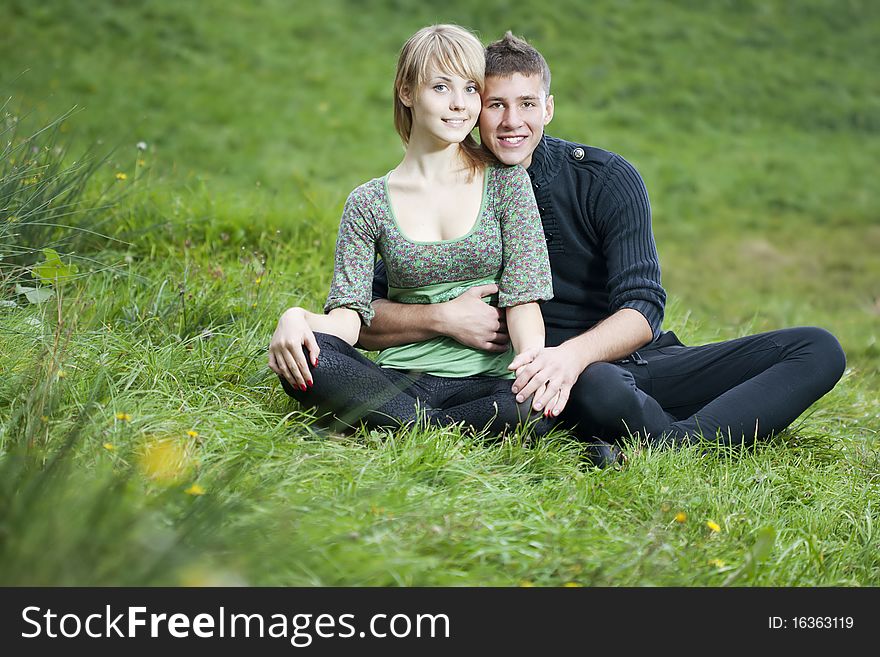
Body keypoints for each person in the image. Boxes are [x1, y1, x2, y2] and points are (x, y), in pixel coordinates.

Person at [361, 31, 847, 464]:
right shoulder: (450, 188)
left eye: (528, 103)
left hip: (634, 362)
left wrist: (570, 356)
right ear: (473, 110)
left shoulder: (605, 178)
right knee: (596, 386)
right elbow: (370, 310)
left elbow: (643, 306)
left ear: (548, 108)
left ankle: (677, 443)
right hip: (540, 382)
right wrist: (441, 318)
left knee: (817, 347)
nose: (513, 121)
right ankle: (675, 439)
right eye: (496, 104)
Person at [268, 25, 555, 437]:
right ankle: (434, 428)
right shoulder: (367, 203)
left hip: (485, 383)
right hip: (397, 379)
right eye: (441, 87)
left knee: (530, 405)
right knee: (312, 358)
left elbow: (524, 297)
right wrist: (296, 320)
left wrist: (532, 361)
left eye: (471, 89)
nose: (459, 105)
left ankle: (386, 426)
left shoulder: (506, 182)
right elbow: (350, 319)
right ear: (407, 91)